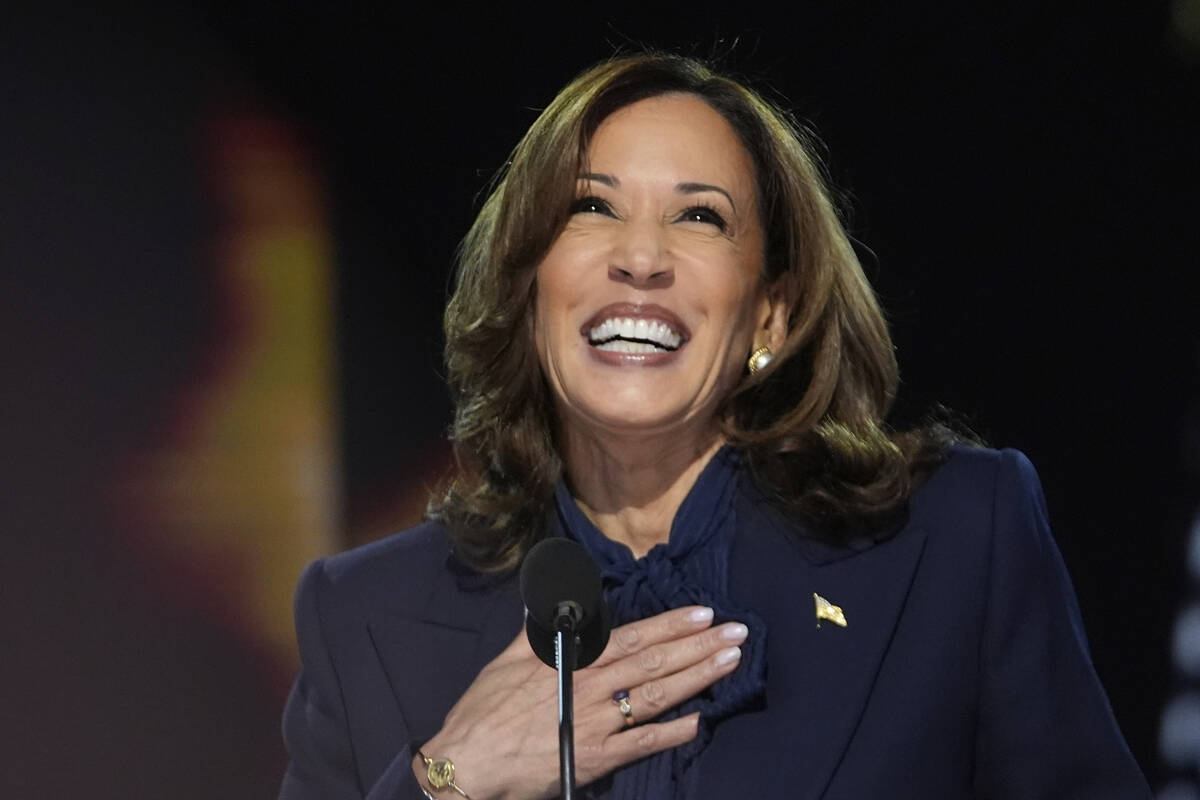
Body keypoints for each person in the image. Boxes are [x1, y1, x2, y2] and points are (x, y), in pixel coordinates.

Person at [278, 53, 1150, 799]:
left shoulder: (957, 540)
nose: (642, 256)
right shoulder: (366, 616)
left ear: (771, 317)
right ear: (526, 285)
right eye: (592, 206)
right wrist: (452, 775)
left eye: (700, 217)